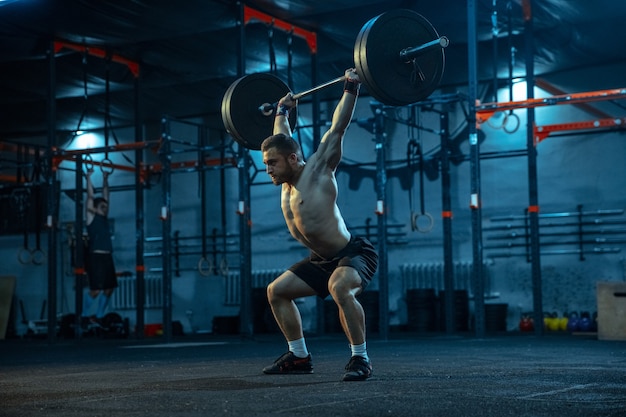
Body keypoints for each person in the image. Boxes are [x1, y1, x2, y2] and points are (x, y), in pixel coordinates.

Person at [260, 68, 378, 382]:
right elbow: (283, 135)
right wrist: (283, 110)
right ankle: (299, 356)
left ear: (294, 159)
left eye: (272, 163)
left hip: (352, 253)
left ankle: (360, 359)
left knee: (339, 288)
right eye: (266, 164)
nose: (268, 169)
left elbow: (338, 128)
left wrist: (351, 87)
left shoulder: (318, 170)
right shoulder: (286, 179)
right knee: (276, 291)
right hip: (321, 260)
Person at [83, 169, 117, 321]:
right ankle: (83, 316)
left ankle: (99, 316)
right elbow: (90, 196)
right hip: (96, 257)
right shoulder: (91, 217)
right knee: (96, 290)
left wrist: (105, 179)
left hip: (107, 257)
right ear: (95, 209)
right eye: (102, 207)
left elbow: (106, 195)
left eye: (106, 206)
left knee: (109, 289)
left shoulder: (104, 219)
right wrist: (88, 177)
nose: (105, 208)